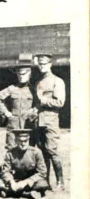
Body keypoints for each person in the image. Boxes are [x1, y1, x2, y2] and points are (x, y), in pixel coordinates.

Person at [34, 53, 66, 191]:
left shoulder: (57, 81)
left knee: (52, 150)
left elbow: (60, 102)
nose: (42, 66)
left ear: (50, 64)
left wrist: (44, 100)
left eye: (45, 64)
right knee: (42, 152)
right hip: (39, 121)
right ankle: (45, 181)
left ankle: (60, 182)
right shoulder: (38, 82)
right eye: (40, 64)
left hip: (51, 121)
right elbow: (37, 103)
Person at [0, 61, 38, 149]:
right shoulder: (12, 88)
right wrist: (6, 112)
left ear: (29, 74)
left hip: (27, 122)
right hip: (13, 122)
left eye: (23, 74)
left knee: (29, 148)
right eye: (19, 74)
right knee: (11, 146)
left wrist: (34, 112)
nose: (21, 76)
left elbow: (40, 103)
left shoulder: (34, 89)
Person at [0, 129, 49, 199]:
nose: (23, 144)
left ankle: (9, 192)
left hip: (31, 182)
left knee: (43, 184)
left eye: (25, 141)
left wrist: (26, 182)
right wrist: (11, 182)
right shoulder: (10, 153)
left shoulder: (36, 152)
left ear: (28, 140)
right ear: (16, 141)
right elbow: (5, 171)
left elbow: (42, 172)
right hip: (16, 180)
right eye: (20, 141)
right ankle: (26, 194)